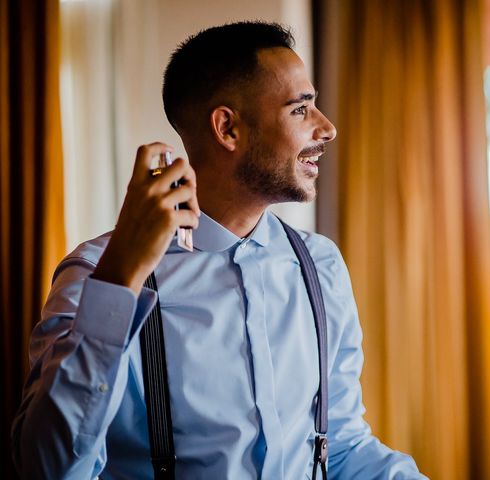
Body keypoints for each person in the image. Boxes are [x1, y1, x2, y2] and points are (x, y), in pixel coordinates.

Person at [11, 22, 427, 479]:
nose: (326, 128)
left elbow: (342, 446)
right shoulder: (97, 273)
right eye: (300, 109)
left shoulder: (320, 265)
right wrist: (120, 280)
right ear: (227, 127)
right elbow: (48, 469)